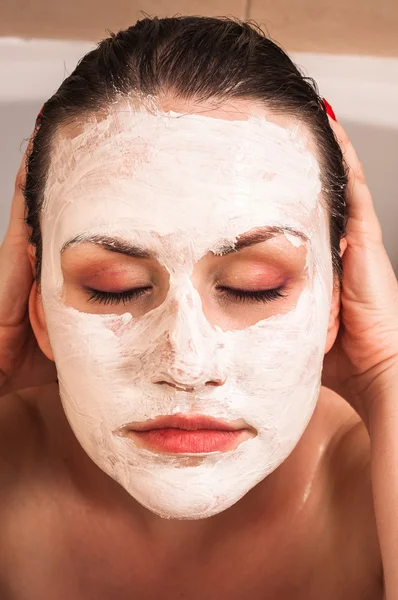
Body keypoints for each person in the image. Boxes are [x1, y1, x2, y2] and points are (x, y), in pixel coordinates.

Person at [0, 16, 397, 600]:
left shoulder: (372, 481)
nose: (186, 363)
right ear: (38, 306)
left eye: (253, 286)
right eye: (114, 286)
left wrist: (386, 369)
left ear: (335, 301)